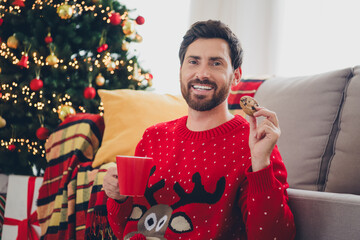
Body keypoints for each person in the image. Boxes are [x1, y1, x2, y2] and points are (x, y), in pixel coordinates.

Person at [103, 20, 296, 240]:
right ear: (181, 70)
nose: (202, 73)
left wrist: (261, 164)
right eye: (193, 62)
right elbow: (124, 230)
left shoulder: (253, 144)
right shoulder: (153, 137)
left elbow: (274, 237)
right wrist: (117, 198)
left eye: (216, 63)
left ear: (236, 75)